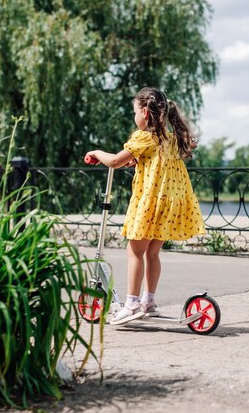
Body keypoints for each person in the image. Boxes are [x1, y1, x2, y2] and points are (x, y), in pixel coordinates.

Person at [85, 87, 206, 325]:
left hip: (150, 204)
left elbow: (114, 161)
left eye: (134, 112)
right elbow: (154, 163)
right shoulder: (169, 139)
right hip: (169, 205)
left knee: (135, 252)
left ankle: (131, 304)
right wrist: (138, 161)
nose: (134, 117)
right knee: (152, 253)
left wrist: (97, 153)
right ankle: (148, 301)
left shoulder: (143, 136)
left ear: (144, 112)